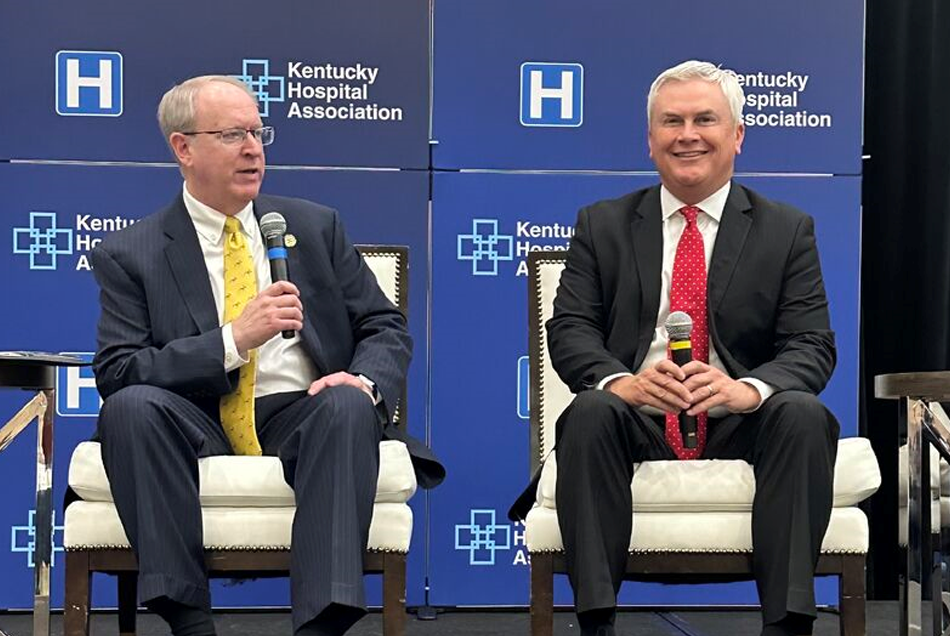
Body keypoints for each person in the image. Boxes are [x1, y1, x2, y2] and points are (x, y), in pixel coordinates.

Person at [89, 75, 443, 636]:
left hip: (296, 407)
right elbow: (119, 369)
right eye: (232, 135)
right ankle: (190, 622)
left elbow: (384, 325)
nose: (253, 148)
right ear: (184, 148)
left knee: (348, 407)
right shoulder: (132, 252)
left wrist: (363, 381)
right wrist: (233, 340)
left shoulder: (313, 226)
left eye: (257, 132)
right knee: (130, 407)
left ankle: (320, 627)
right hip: (194, 416)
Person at [510, 60, 839, 636]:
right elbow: (571, 330)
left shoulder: (786, 229)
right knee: (589, 410)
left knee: (803, 414)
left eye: (705, 119)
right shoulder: (603, 224)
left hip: (738, 420)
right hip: (636, 418)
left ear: (736, 135)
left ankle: (786, 625)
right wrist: (624, 383)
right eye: (672, 121)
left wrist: (746, 389)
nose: (687, 134)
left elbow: (810, 344)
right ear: (651, 139)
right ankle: (596, 623)